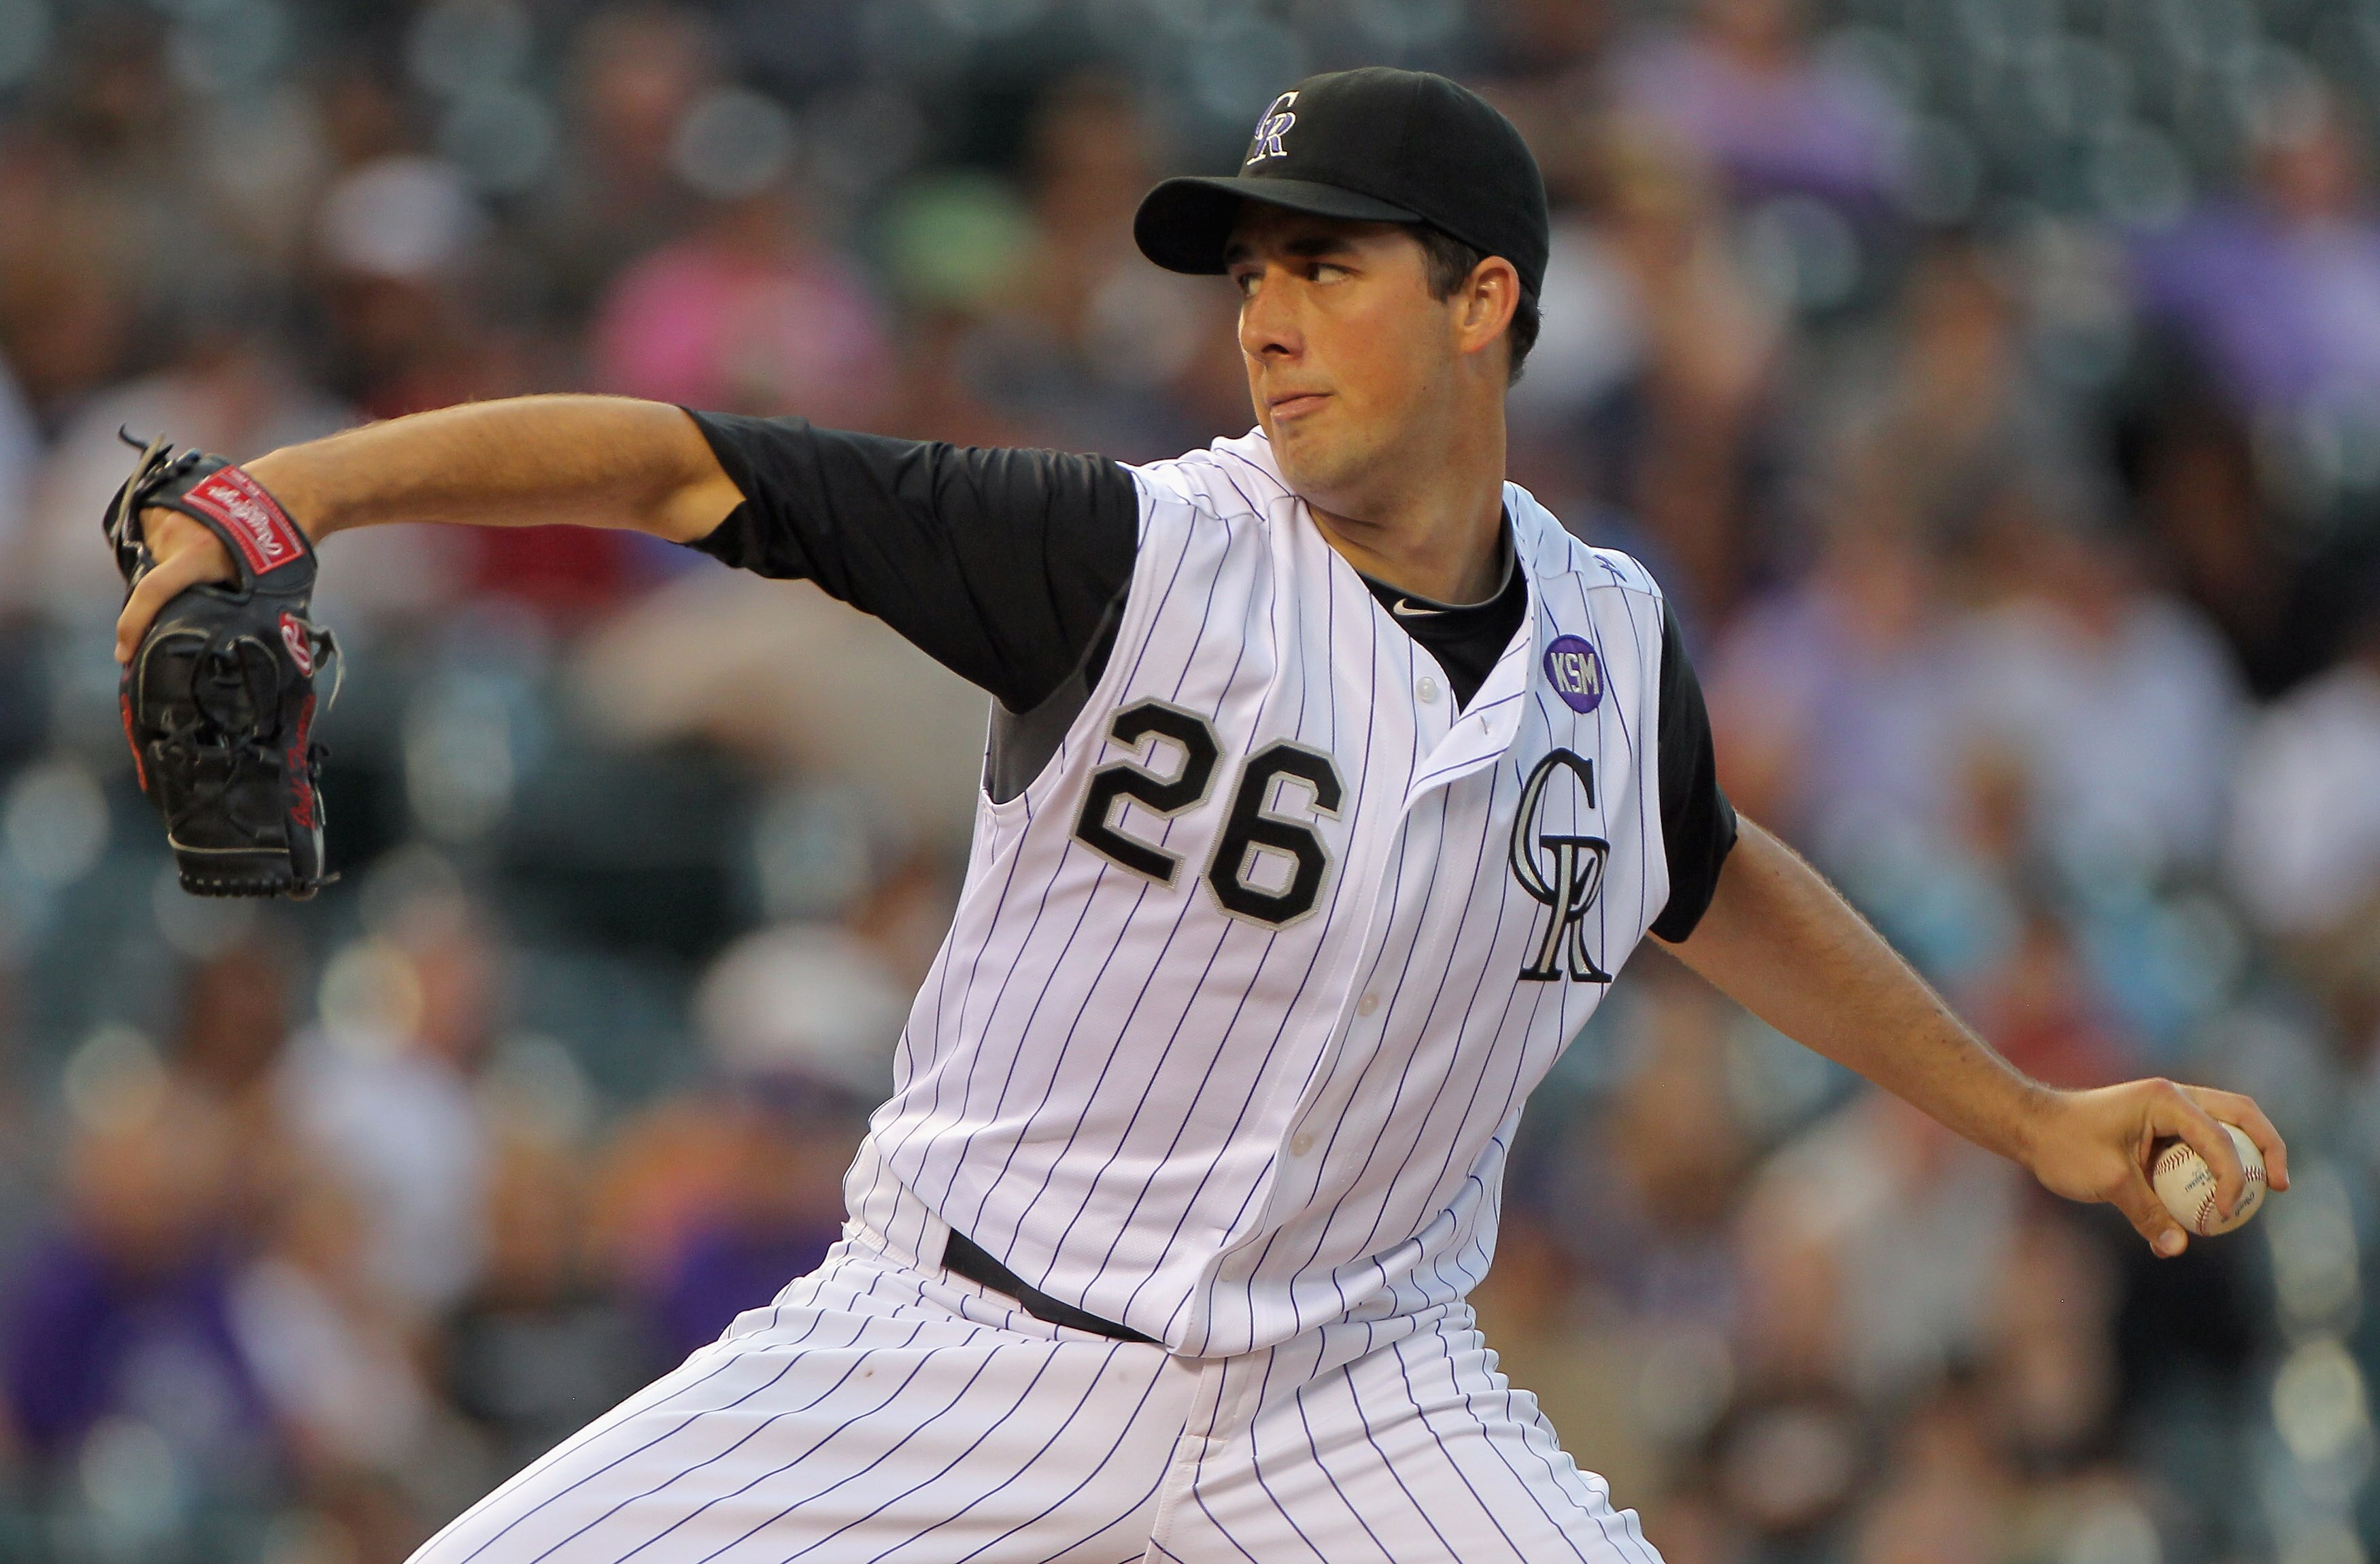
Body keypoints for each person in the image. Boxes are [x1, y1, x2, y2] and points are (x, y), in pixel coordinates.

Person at [114, 67, 2285, 1564]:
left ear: (1484, 302)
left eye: (1326, 266)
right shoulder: (1122, 554)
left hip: (1359, 1396)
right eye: (1248, 272)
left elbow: (1700, 876)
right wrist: (285, 490)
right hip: (953, 1338)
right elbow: (680, 462)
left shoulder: (1612, 647)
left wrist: (2022, 1117)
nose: (1263, 317)